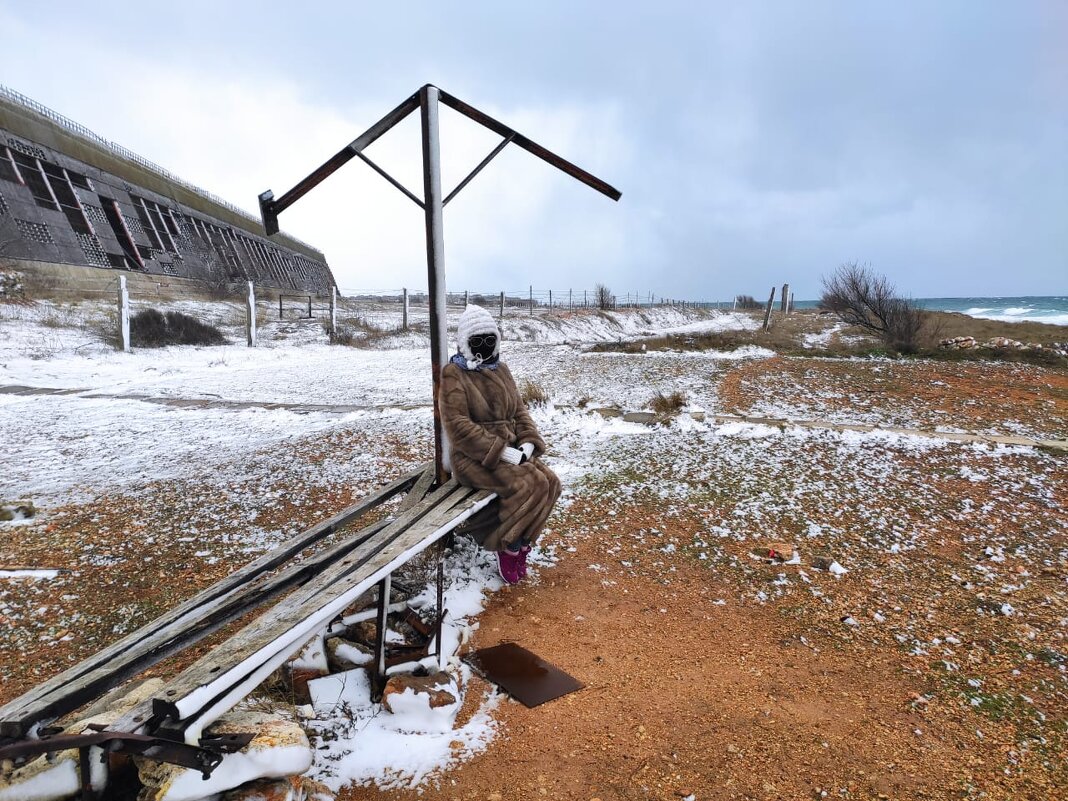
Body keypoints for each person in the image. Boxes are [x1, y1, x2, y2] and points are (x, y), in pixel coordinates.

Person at [440, 305, 561, 584]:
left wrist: (529, 442)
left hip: (511, 452)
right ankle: (506, 545)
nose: (484, 346)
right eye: (477, 341)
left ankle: (522, 542)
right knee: (528, 485)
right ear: (465, 343)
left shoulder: (501, 369)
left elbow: (519, 412)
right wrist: (502, 452)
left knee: (551, 482)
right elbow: (458, 427)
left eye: (489, 340)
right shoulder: (454, 374)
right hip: (474, 457)